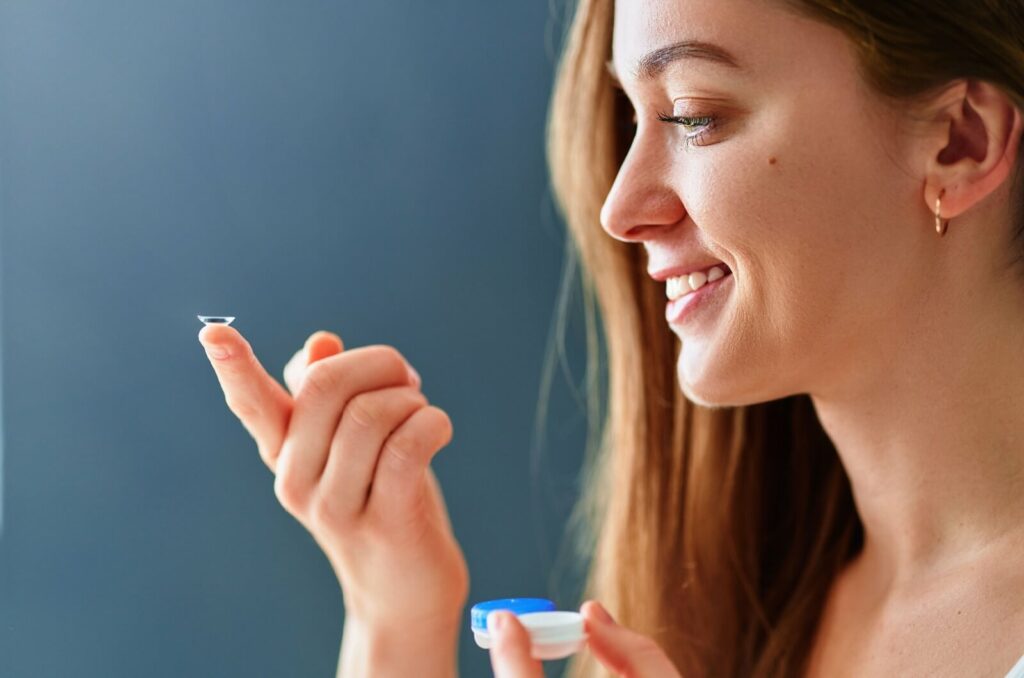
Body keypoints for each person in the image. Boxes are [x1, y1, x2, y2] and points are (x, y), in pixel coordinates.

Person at [198, 0, 1024, 675]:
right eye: (633, 119)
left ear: (962, 142)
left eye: (695, 116)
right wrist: (393, 613)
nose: (620, 209)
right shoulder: (729, 614)